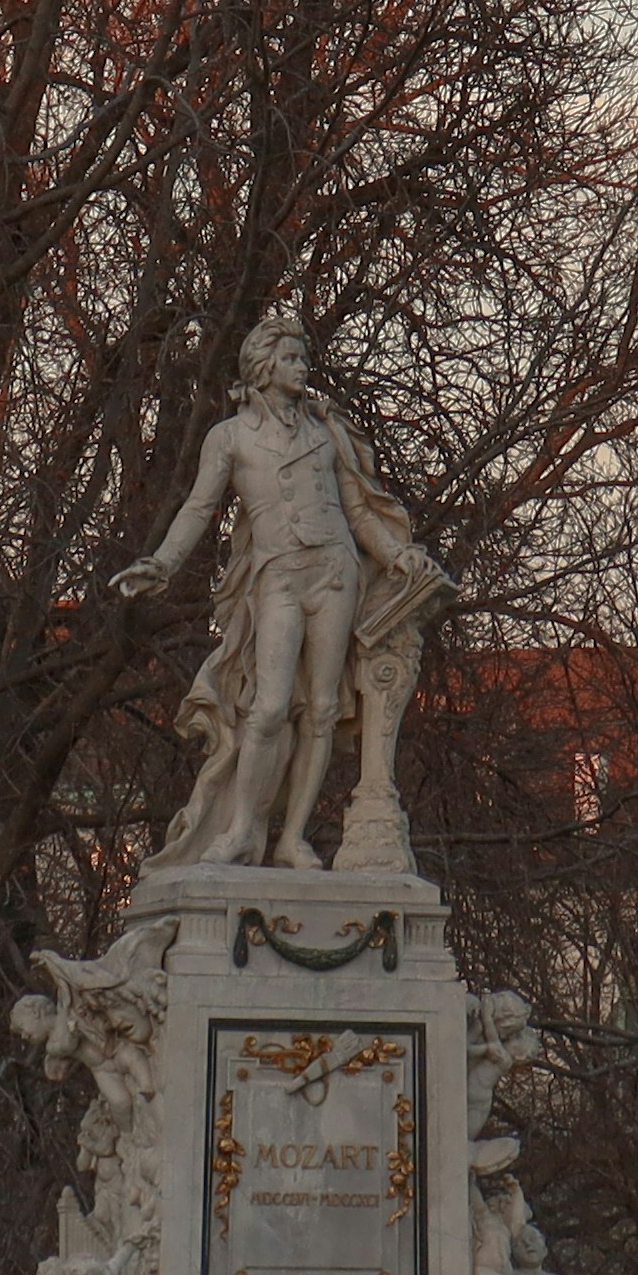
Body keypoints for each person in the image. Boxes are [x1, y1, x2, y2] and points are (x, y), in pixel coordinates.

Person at [116, 307, 454, 868]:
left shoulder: (325, 433)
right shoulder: (230, 437)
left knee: (321, 708)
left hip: (335, 571)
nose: (302, 367)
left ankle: (292, 837)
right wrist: (163, 563)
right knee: (269, 707)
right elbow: (199, 508)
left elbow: (358, 512)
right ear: (264, 365)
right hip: (279, 573)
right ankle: (242, 831)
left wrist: (397, 555)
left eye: (303, 358)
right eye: (292, 358)